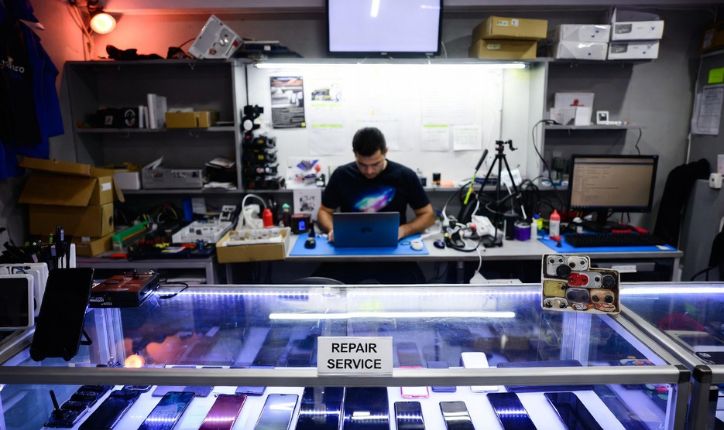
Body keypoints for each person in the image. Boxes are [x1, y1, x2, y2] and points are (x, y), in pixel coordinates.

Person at [314, 127, 435, 284]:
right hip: (349, 253)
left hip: (392, 254)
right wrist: (332, 229)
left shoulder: (405, 176)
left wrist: (404, 230)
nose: (369, 171)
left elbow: (428, 215)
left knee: (416, 291)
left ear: (385, 152)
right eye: (362, 164)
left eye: (375, 164)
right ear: (355, 154)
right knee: (319, 288)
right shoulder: (341, 175)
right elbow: (324, 211)